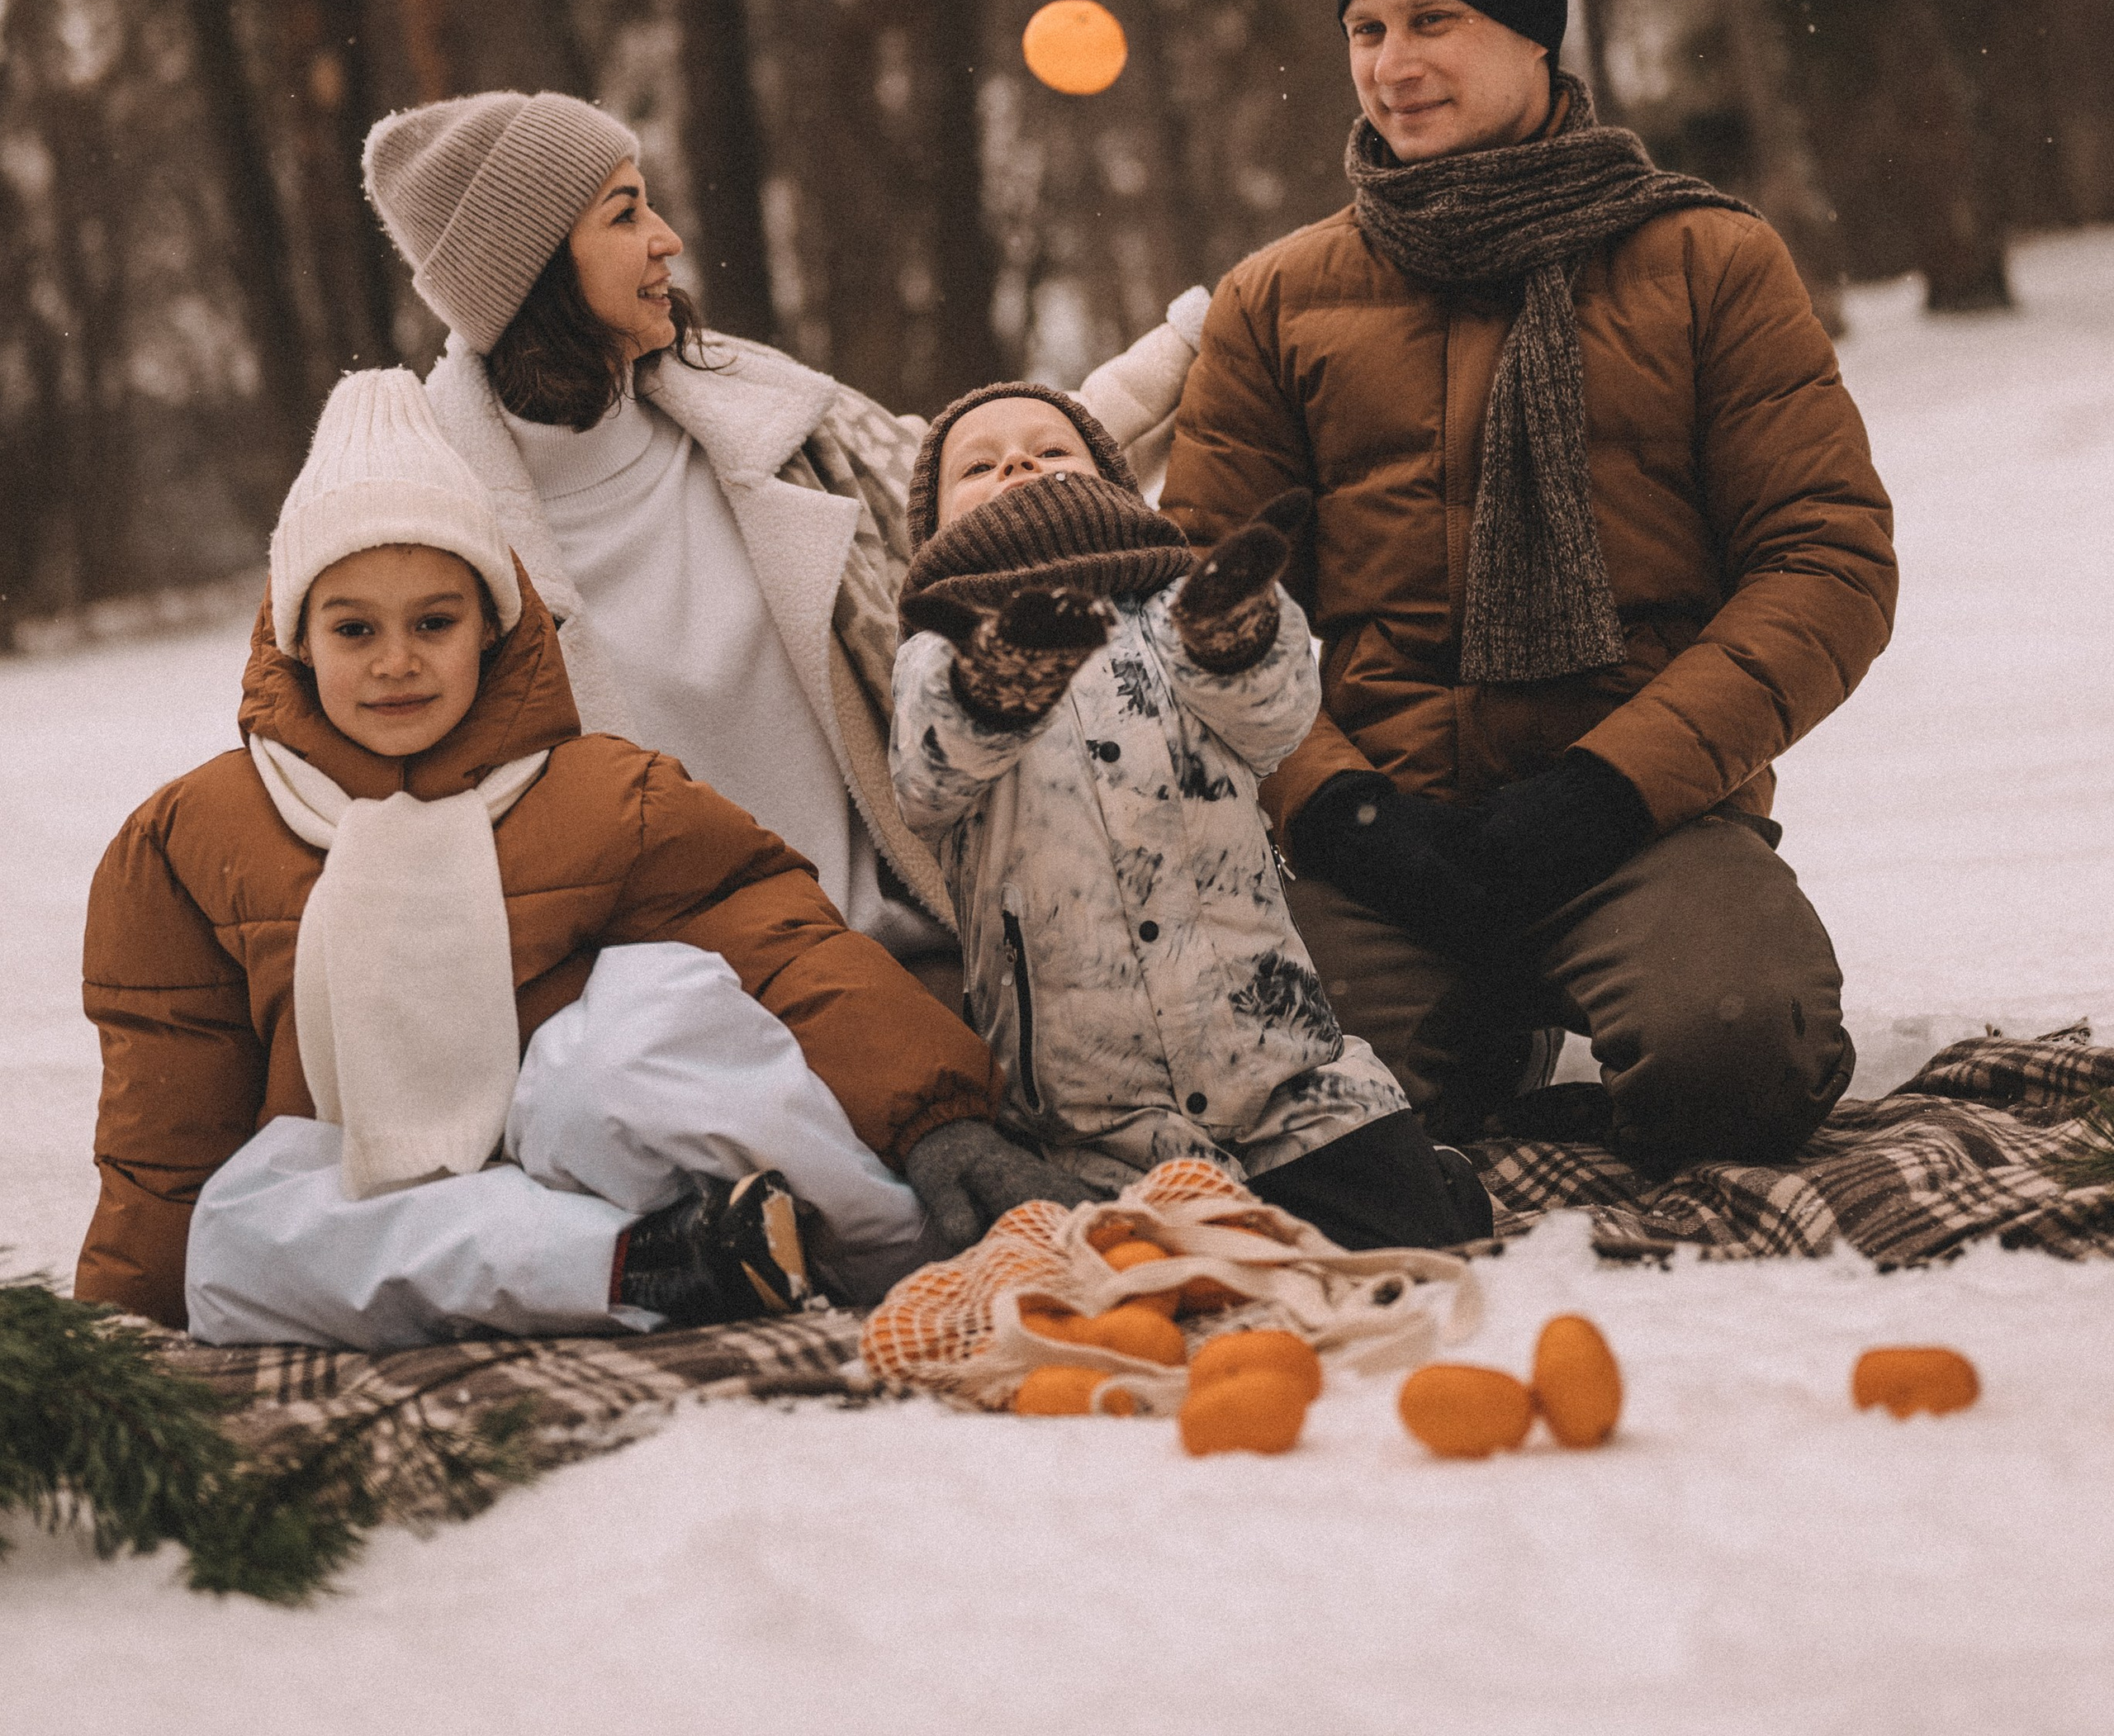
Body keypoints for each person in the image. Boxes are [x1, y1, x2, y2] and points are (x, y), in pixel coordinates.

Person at [1160, 0, 1898, 1167]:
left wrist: (1609, 788)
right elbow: (1207, 615)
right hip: (1390, 839)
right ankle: (1477, 1022)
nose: (1393, 64)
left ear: (1531, 30)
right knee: (1282, 1120)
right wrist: (1341, 811)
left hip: (1643, 814)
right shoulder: (1275, 300)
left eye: (1432, 19)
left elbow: (1827, 563)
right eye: (1366, 30)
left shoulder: (1706, 261)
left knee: (1739, 1051)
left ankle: (1591, 984)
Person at [75, 370, 1014, 1346]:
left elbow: (791, 954)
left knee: (632, 1031)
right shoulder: (189, 839)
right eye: (355, 628)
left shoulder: (606, 793)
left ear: (491, 624)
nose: (396, 661)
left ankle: (887, 1240)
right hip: (398, 1223)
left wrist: (938, 1119)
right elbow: (168, 1136)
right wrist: (115, 1339)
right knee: (237, 1228)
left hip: (590, 1155)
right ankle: (667, 1263)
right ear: (296, 637)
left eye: (433, 622)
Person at [360, 94, 1202, 1040]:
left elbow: (958, 484)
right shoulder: (431, 535)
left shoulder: (752, 411)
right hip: (676, 1036)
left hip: (919, 962)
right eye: (625, 212)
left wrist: (1189, 351)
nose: (666, 239)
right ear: (535, 264)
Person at [888, 382, 1491, 1249]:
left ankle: (1432, 1180)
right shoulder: (937, 655)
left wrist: (1238, 633)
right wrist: (996, 685)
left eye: (1051, 450)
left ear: (1111, 485)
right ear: (935, 530)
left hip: (1284, 1071)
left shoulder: (1179, 609)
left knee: (1414, 1240)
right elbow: (926, 781)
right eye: (977, 466)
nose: (1017, 464)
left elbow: (1273, 717)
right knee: (1162, 1283)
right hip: (1096, 1116)